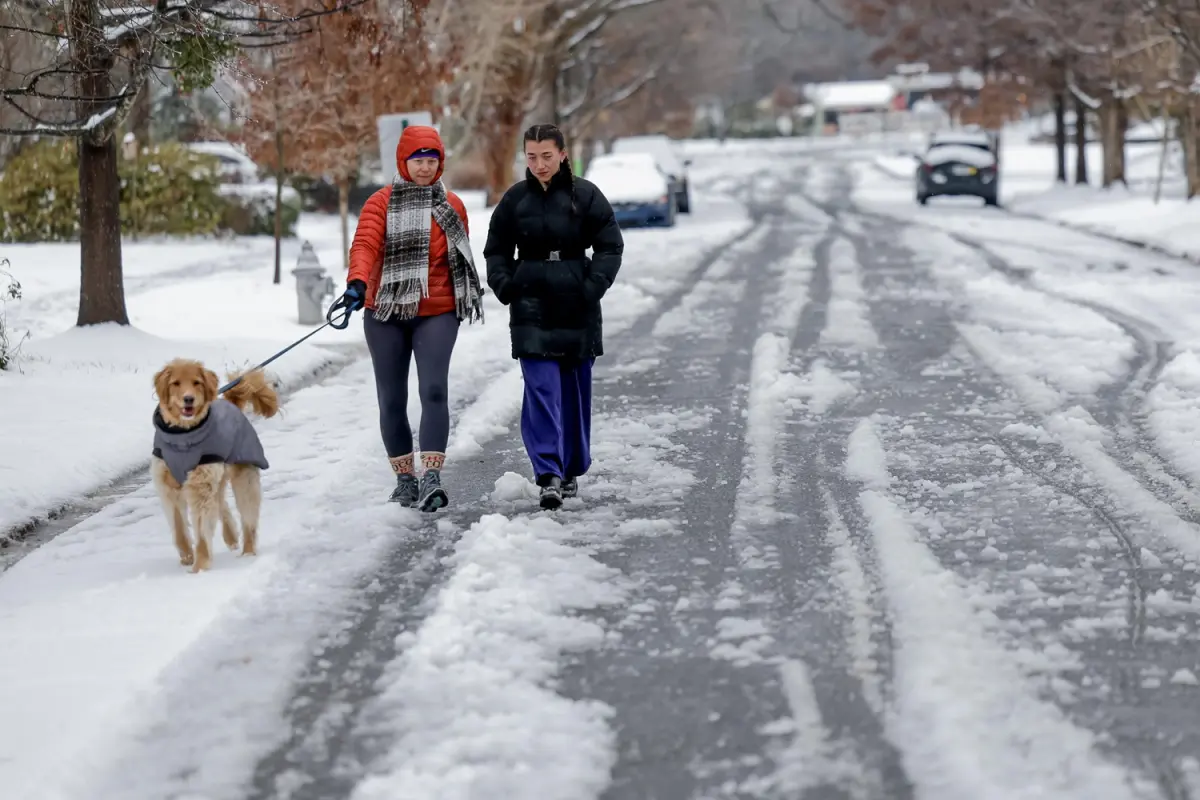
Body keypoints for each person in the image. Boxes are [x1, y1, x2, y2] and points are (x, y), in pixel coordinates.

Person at [328, 125, 485, 510]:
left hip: (437, 311)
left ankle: (431, 477)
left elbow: (459, 261)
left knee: (433, 390)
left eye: (432, 161)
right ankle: (405, 479)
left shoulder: (453, 207)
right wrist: (357, 284)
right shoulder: (380, 203)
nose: (425, 168)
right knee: (392, 399)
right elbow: (364, 244)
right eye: (418, 161)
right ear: (404, 161)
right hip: (386, 311)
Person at [483, 123, 624, 510]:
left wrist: (591, 286)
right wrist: (506, 283)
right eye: (532, 157)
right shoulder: (514, 201)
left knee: (574, 391)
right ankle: (547, 473)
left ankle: (571, 467)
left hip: (577, 302)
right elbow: (495, 250)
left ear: (563, 153)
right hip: (530, 304)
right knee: (541, 387)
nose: (540, 164)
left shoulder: (587, 196)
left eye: (547, 156)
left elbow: (611, 246)